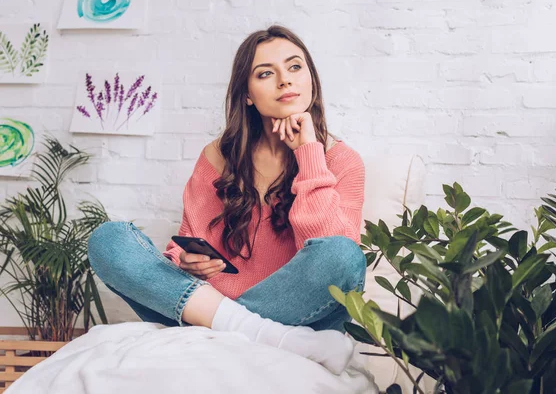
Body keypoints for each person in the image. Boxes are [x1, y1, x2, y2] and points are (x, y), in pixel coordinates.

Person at [88, 25, 367, 376]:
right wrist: (186, 261)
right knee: (109, 240)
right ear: (247, 94)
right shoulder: (217, 158)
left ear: (311, 79)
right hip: (214, 305)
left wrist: (309, 153)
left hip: (294, 314)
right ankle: (271, 338)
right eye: (266, 73)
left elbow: (332, 254)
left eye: (295, 67)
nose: (285, 81)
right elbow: (188, 237)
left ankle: (221, 331)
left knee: (343, 255)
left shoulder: (342, 161)